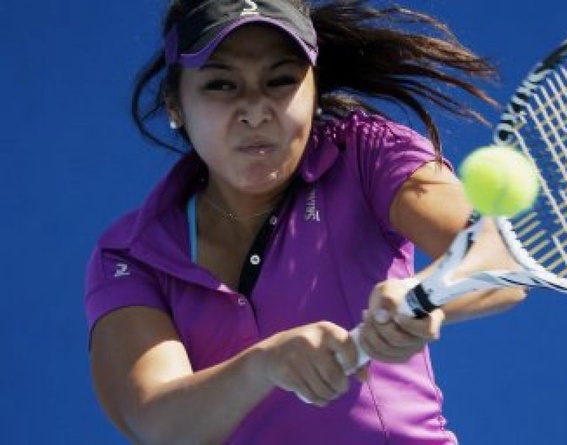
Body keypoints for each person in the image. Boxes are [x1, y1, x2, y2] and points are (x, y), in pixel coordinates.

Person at [84, 0, 527, 443]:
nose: (255, 112)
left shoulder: (367, 154)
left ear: (315, 91)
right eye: (221, 84)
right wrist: (265, 365)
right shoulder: (131, 255)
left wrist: (424, 297)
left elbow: (498, 252)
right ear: (175, 104)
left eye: (280, 81)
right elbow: (159, 423)